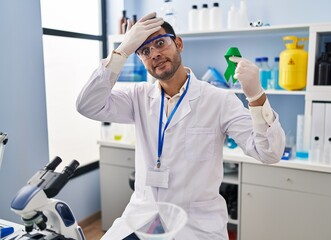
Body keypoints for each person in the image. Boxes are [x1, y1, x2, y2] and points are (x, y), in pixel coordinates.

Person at [77, 12, 285, 240]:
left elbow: (269, 153)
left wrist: (256, 96)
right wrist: (122, 51)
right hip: (144, 218)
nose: (154, 54)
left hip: (195, 225)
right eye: (144, 51)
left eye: (160, 43)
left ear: (178, 44)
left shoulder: (218, 100)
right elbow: (87, 105)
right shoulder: (137, 96)